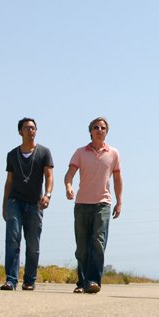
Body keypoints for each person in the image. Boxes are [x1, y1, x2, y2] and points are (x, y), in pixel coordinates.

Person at [64, 116, 123, 294]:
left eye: (102, 128)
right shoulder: (80, 152)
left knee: (98, 241)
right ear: (90, 131)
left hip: (103, 204)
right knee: (82, 246)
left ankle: (93, 281)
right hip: (82, 204)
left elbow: (118, 179)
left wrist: (119, 201)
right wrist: (68, 187)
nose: (99, 130)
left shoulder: (113, 153)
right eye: (96, 127)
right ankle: (82, 282)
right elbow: (69, 174)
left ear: (106, 132)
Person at [0, 117, 54, 291]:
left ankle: (29, 280)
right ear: (20, 132)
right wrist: (4, 205)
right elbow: (9, 181)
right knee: (13, 239)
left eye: (33, 128)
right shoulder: (12, 154)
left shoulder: (44, 152)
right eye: (27, 128)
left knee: (32, 244)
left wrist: (47, 195)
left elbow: (49, 176)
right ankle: (11, 280)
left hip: (35, 203)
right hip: (14, 202)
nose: (31, 130)